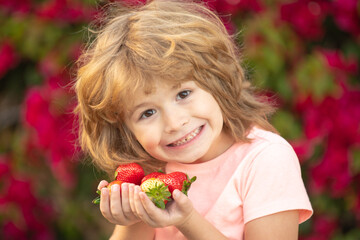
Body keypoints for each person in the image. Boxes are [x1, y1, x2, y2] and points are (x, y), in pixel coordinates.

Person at [74, 0, 313, 239]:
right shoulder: (152, 168)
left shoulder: (265, 160)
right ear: (125, 129)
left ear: (216, 81)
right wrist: (133, 219)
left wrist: (187, 221)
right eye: (147, 113)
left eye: (183, 94)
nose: (174, 123)